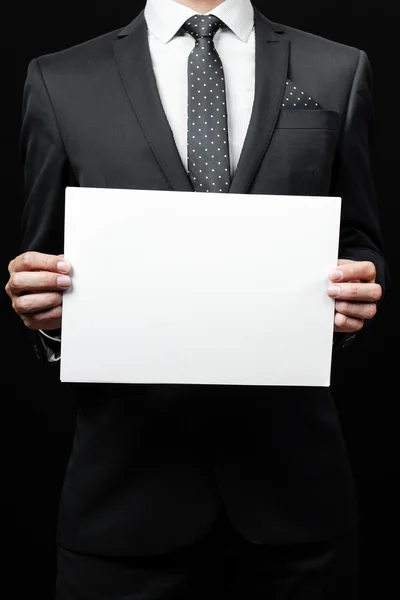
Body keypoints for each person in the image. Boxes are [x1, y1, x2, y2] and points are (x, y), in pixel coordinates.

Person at [5, 0, 388, 598]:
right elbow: (42, 257)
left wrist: (363, 288)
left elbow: (362, 239)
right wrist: (45, 316)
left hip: (296, 504)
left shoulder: (337, 67)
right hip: (123, 501)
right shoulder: (60, 78)